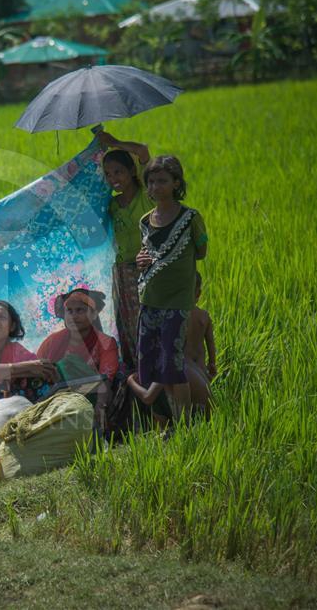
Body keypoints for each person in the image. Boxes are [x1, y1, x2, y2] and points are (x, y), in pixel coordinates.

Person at [135, 156, 208, 422]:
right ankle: (162, 423)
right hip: (149, 298)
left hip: (176, 301)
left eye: (163, 181)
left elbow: (201, 251)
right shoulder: (145, 221)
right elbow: (145, 255)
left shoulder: (190, 218)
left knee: (172, 364)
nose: (156, 187)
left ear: (176, 183)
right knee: (150, 363)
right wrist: (140, 261)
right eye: (151, 182)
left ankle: (184, 422)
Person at [127, 272, 215, 422]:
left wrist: (130, 381)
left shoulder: (172, 363)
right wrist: (212, 364)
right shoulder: (203, 316)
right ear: (197, 293)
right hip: (203, 378)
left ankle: (168, 427)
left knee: (150, 384)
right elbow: (212, 351)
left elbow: (148, 397)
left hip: (197, 417)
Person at [98, 132, 152, 370]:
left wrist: (114, 144)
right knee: (127, 324)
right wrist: (95, 150)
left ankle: (154, 373)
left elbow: (143, 151)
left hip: (147, 268)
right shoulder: (111, 204)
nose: (113, 178)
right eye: (108, 174)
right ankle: (135, 375)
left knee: (147, 321)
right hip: (122, 271)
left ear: (132, 172)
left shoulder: (148, 195)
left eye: (118, 172)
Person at [36, 288, 120, 430]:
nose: (74, 316)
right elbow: (37, 372)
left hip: (92, 400)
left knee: (68, 363)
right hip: (55, 404)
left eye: (80, 310)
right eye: (69, 311)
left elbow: (106, 380)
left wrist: (101, 407)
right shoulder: (51, 342)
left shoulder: (106, 342)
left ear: (93, 314)